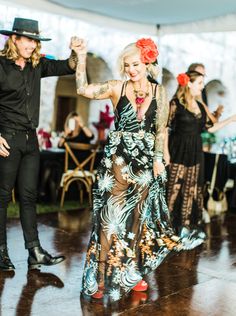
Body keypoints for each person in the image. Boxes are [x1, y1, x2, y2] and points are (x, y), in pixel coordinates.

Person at [72, 37, 183, 301]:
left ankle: (130, 273)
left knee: (137, 221)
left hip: (144, 165)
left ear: (146, 62)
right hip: (117, 164)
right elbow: (83, 89)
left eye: (135, 64)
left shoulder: (160, 92)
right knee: (109, 220)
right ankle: (100, 278)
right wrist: (81, 57)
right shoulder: (116, 87)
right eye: (126, 65)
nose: (131, 69)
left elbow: (160, 130)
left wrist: (158, 158)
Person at [0, 17, 80, 271]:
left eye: (35, 41)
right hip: (7, 138)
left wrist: (76, 52)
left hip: (30, 140)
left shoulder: (38, 65)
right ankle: (1, 252)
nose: (32, 46)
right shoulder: (0, 65)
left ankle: (34, 251)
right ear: (14, 39)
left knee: (28, 196)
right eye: (28, 40)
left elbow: (68, 66)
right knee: (2, 197)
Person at [165, 70, 236, 248]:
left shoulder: (200, 105)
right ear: (189, 83)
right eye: (200, 83)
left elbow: (210, 128)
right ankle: (166, 230)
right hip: (178, 151)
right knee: (173, 191)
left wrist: (230, 120)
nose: (202, 86)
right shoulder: (175, 104)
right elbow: (164, 129)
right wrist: (165, 152)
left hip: (195, 153)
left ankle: (185, 229)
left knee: (191, 191)